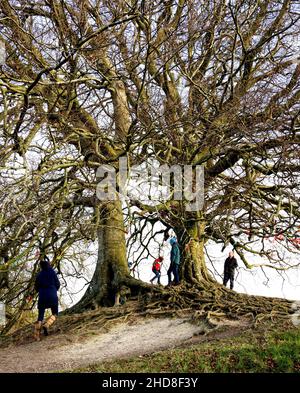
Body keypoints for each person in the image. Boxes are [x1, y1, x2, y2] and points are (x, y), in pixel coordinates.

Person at [34, 251, 60, 341]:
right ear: (48, 265)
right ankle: (47, 324)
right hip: (52, 295)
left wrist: (41, 290)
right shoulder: (52, 272)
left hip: (42, 297)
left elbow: (36, 287)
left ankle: (37, 336)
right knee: (55, 314)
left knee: (40, 316)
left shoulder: (39, 275)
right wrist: (54, 290)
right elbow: (58, 284)